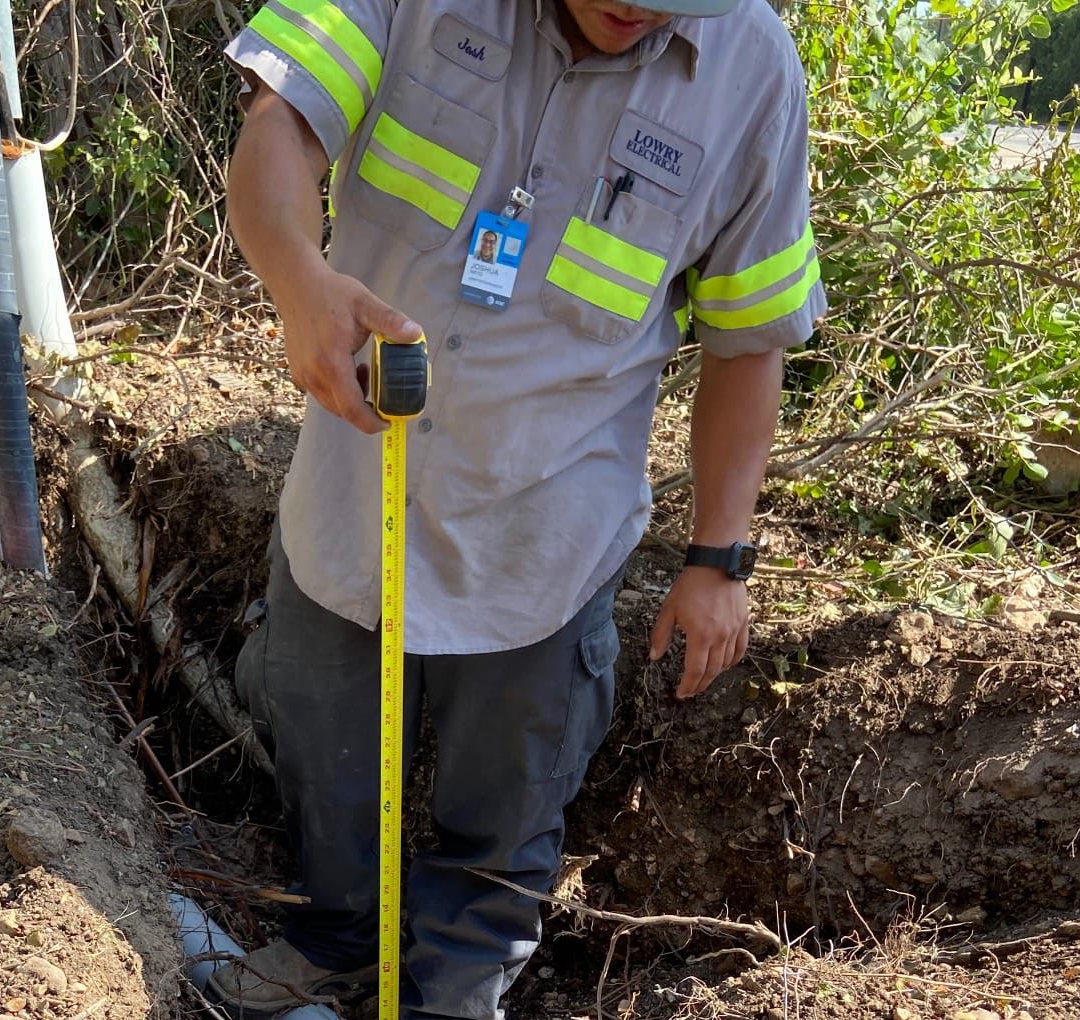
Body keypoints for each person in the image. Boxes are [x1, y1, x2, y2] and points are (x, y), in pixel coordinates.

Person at [214, 0, 826, 1016]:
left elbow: (748, 339)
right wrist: (298, 279)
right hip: (349, 503)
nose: (636, 8)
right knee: (326, 768)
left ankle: (459, 986)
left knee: (504, 811)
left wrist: (717, 557)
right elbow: (278, 120)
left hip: (547, 536)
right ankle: (332, 941)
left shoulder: (751, 73)